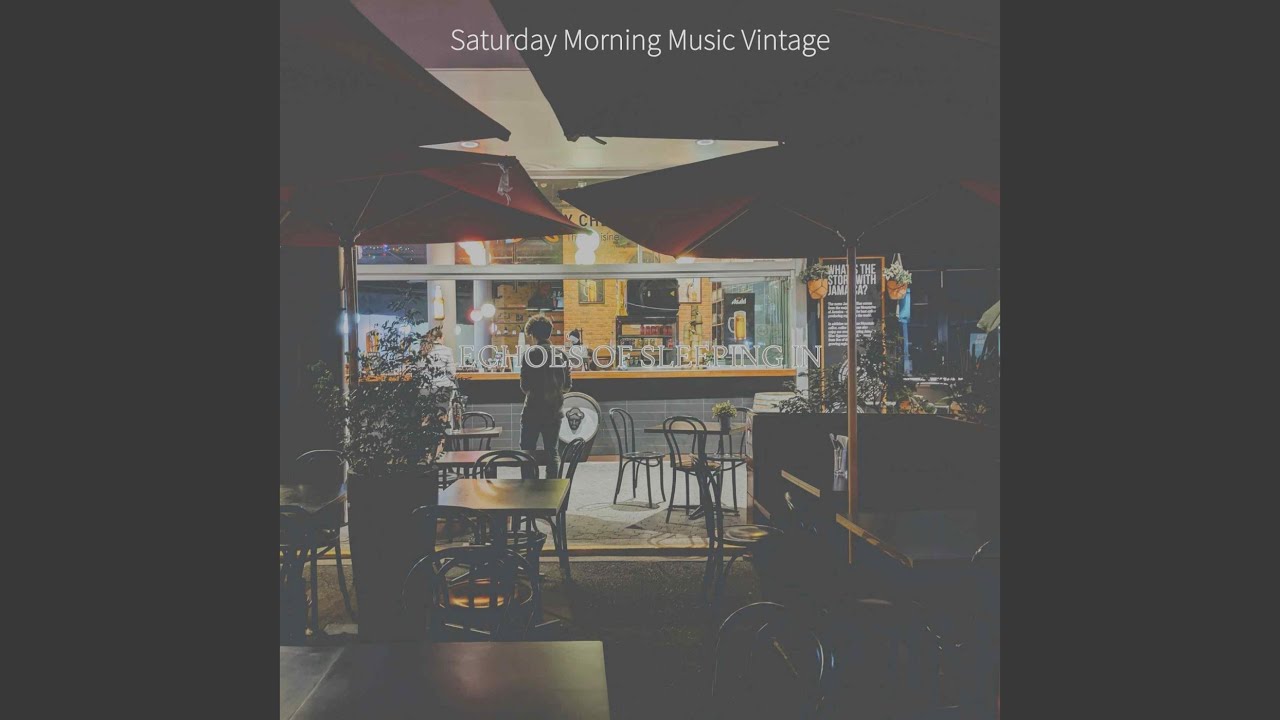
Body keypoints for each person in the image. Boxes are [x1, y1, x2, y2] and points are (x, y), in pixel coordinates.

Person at [519, 314, 571, 478]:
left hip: (532, 410)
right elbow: (567, 386)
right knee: (552, 451)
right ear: (549, 333)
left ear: (532, 334)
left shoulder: (530, 355)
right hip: (554, 410)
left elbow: (525, 386)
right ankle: (552, 488)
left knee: (527, 451)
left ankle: (529, 486)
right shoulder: (561, 355)